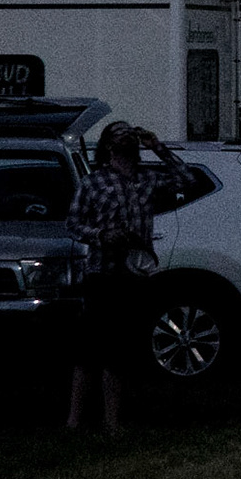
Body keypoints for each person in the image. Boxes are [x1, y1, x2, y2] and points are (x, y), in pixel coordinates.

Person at [63, 123, 203, 433]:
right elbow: (72, 225)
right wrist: (102, 234)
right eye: (120, 133)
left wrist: (157, 146)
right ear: (109, 145)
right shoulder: (94, 182)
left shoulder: (147, 179)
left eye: (130, 133)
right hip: (102, 273)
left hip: (135, 275)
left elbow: (188, 180)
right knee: (88, 349)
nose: (127, 136)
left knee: (122, 349)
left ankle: (113, 421)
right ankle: (74, 420)